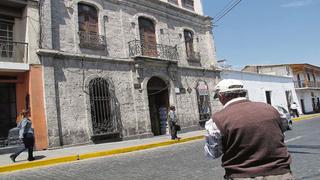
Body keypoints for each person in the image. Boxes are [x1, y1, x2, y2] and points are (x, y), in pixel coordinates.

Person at [204, 79, 294, 180]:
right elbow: (282, 129)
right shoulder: (272, 109)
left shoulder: (216, 120)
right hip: (280, 173)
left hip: (242, 175)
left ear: (221, 96)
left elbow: (213, 153)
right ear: (243, 93)